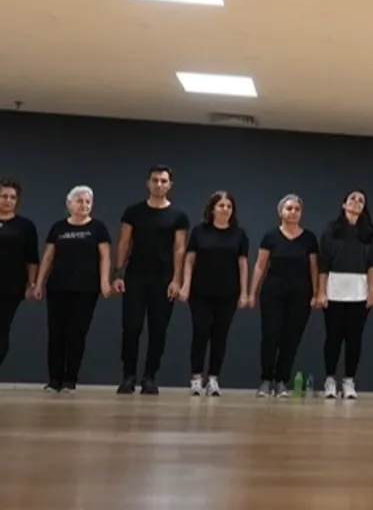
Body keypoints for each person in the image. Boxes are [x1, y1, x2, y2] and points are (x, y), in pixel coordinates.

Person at [114, 165, 190, 395]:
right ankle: (128, 376)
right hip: (135, 276)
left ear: (170, 185)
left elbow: (179, 249)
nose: (159, 184)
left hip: (163, 279)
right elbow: (124, 242)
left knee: (158, 330)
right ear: (148, 183)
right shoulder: (133, 212)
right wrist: (118, 273)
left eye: (163, 181)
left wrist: (176, 280)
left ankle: (149, 377)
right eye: (155, 180)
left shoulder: (178, 216)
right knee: (131, 327)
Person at [32, 185, 111, 394]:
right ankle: (54, 380)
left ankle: (70, 380)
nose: (84, 205)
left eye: (88, 202)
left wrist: (104, 281)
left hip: (86, 289)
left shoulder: (98, 228)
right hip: (58, 287)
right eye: (79, 201)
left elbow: (104, 257)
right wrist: (39, 283)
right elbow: (48, 257)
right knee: (56, 333)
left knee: (76, 334)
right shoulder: (58, 227)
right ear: (69, 204)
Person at [248, 194, 319, 398]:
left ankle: (281, 381)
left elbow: (314, 268)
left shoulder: (309, 238)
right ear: (281, 212)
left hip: (300, 294)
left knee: (291, 338)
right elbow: (260, 265)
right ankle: (266, 380)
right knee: (271, 336)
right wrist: (252, 292)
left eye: (297, 209)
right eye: (289, 208)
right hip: (273, 293)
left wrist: (316, 293)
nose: (293, 212)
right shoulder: (271, 236)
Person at [182, 191, 249, 397]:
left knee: (220, 336)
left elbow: (243, 264)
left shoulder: (239, 235)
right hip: (200, 292)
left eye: (229, 206)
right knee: (200, 333)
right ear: (212, 209)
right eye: (221, 205)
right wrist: (185, 285)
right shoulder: (199, 231)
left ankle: (213, 379)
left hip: (227, 292)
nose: (225, 209)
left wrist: (244, 292)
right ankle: (196, 379)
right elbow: (190, 260)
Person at [317, 190, 373, 400]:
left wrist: (372, 290)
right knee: (333, 337)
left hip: (359, 290)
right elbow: (323, 263)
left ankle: (349, 380)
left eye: (361, 200)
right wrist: (321, 291)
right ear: (344, 204)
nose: (356, 202)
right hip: (334, 288)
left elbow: (372, 264)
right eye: (353, 198)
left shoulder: (369, 233)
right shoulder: (331, 230)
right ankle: (330, 380)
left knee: (354, 338)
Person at [0, 178, 38, 372]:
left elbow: (32, 259)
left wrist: (32, 284)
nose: (8, 200)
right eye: (4, 196)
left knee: (1, 329)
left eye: (12, 197)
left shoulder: (25, 226)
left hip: (10, 286)